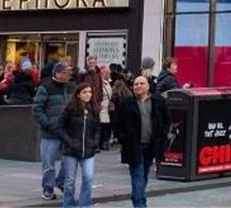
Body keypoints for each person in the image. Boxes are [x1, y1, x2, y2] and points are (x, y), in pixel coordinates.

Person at [113, 76, 166, 208]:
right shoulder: (127, 104)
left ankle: (137, 196)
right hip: (133, 146)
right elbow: (117, 124)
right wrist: (123, 138)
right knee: (137, 175)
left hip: (151, 145)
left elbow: (166, 119)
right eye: (136, 84)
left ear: (148, 86)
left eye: (142, 83)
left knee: (144, 175)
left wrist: (163, 135)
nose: (138, 86)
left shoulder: (158, 101)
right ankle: (140, 204)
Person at [58, 82, 101, 208]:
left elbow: (98, 128)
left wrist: (95, 142)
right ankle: (68, 205)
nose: (88, 95)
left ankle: (85, 204)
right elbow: (60, 127)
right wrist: (70, 142)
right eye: (85, 92)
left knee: (88, 177)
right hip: (71, 150)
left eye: (89, 92)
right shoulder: (69, 109)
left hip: (88, 149)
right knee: (70, 180)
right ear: (78, 95)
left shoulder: (93, 109)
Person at [33, 62, 72, 201]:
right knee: (48, 163)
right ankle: (48, 189)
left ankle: (60, 181)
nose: (69, 75)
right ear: (58, 74)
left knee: (69, 161)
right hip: (50, 132)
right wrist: (47, 124)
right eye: (66, 72)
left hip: (67, 131)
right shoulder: (45, 87)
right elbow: (37, 109)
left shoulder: (70, 87)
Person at [98, 66, 113, 150]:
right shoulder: (100, 83)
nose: (108, 75)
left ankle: (104, 142)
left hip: (107, 107)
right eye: (107, 73)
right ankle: (102, 143)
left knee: (105, 125)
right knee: (103, 125)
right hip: (102, 106)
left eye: (109, 73)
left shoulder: (108, 83)